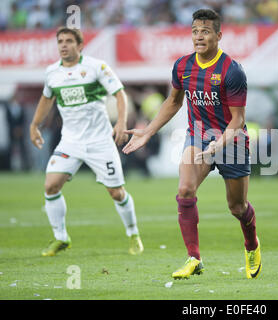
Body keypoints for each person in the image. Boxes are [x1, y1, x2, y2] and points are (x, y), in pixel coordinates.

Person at [122, 9, 261, 280]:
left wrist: (219, 143)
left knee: (237, 207)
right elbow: (173, 102)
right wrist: (148, 131)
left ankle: (252, 245)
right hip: (197, 137)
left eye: (206, 31)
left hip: (230, 141)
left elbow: (238, 119)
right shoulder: (183, 66)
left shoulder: (232, 71)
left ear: (218, 36)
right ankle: (194, 258)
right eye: (195, 31)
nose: (199, 36)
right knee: (185, 190)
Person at [29, 27, 144, 256]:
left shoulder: (96, 67)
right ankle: (61, 238)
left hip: (99, 142)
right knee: (50, 186)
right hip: (70, 143)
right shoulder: (52, 72)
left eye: (69, 41)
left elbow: (120, 94)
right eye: (60, 41)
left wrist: (120, 122)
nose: (63, 45)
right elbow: (46, 98)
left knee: (116, 192)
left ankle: (133, 234)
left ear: (79, 45)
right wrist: (34, 125)